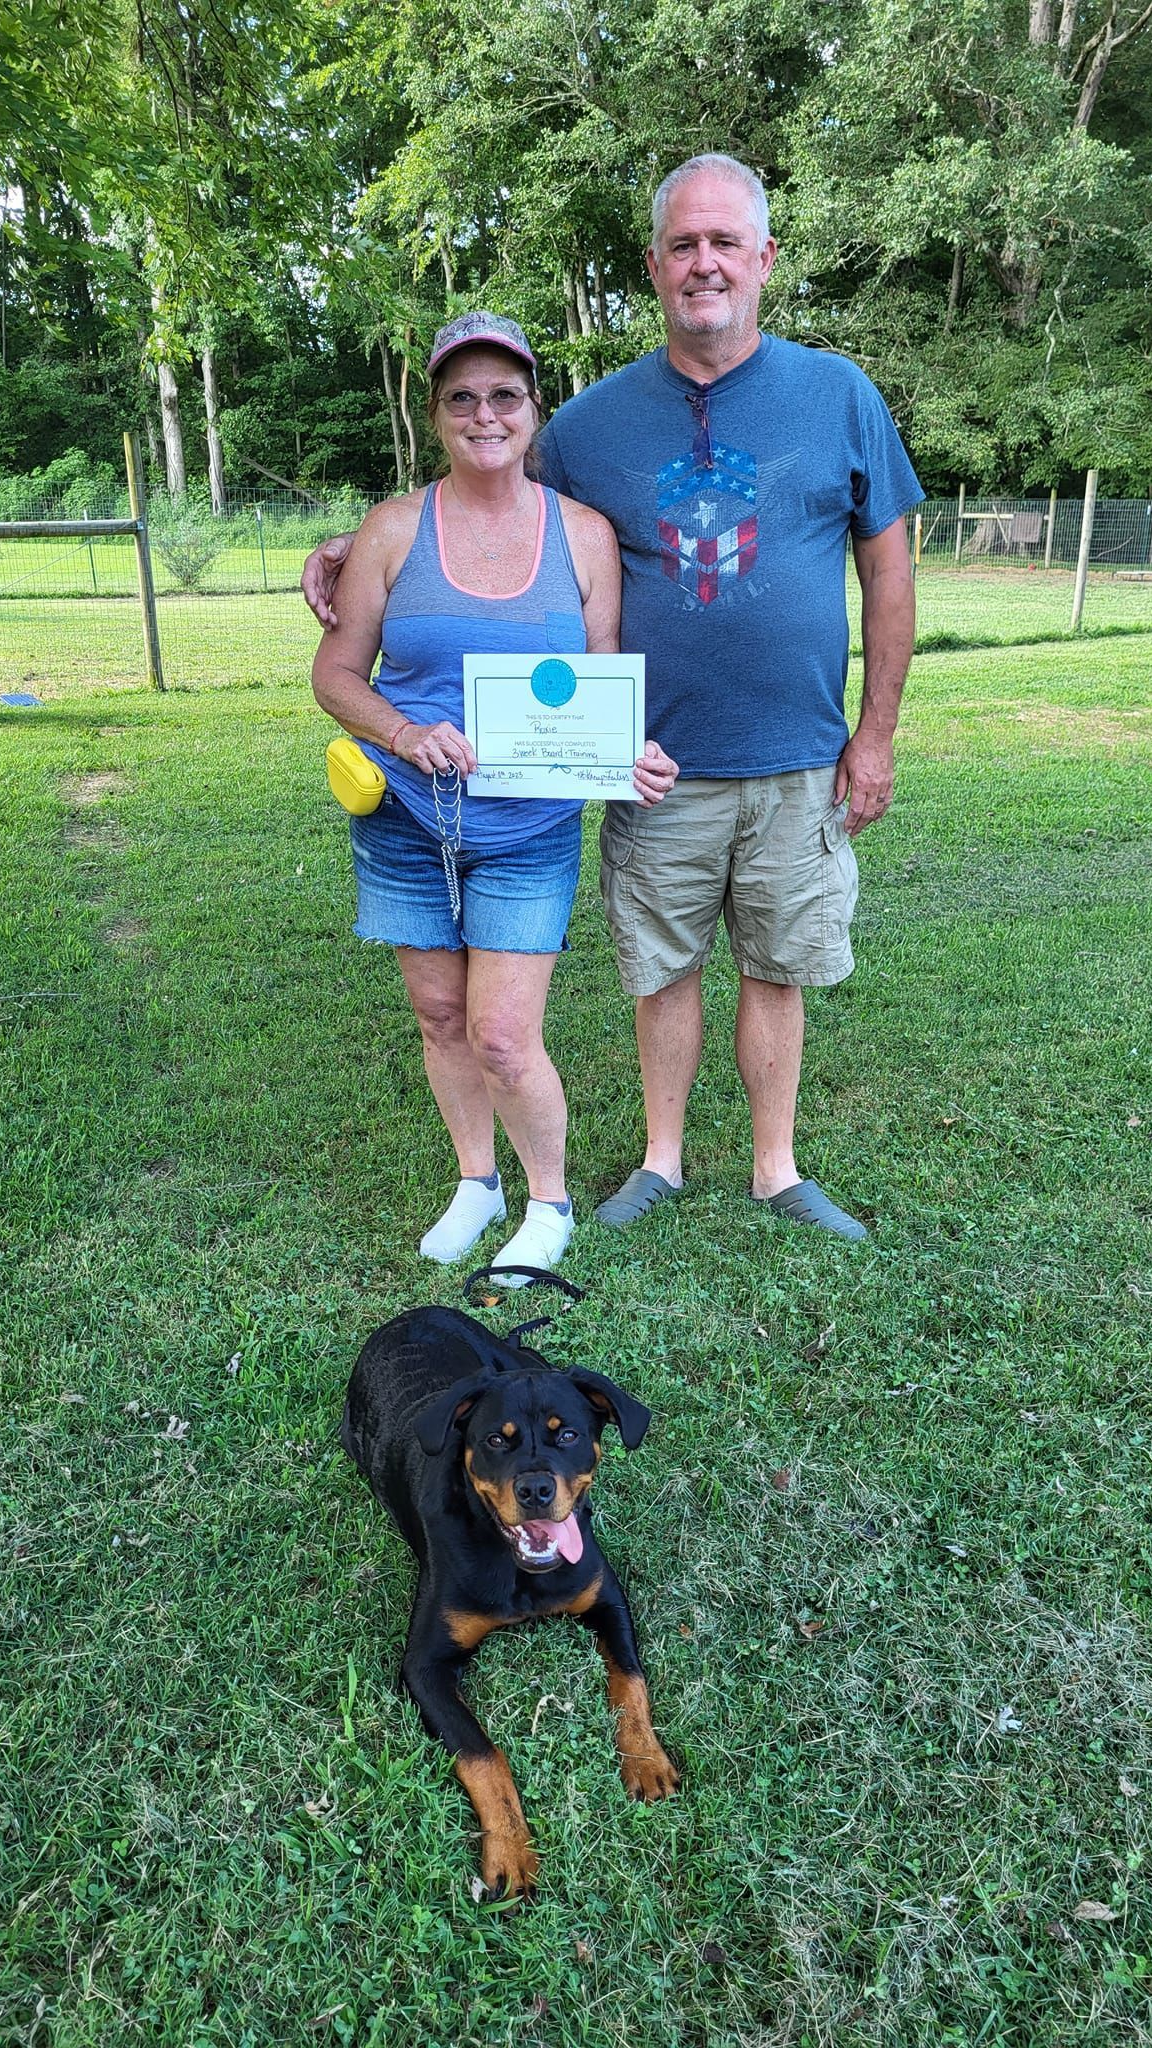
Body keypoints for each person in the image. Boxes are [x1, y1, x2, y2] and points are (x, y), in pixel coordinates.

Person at [307, 156, 920, 1241]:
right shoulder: (590, 424)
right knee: (663, 966)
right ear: (653, 265)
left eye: (725, 242)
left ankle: (776, 1167)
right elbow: (487, 487)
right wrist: (354, 548)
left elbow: (889, 569)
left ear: (765, 258)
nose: (704, 263)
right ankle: (661, 1159)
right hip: (654, 759)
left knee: (778, 966)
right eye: (683, 244)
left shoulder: (839, 396)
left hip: (799, 751)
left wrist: (875, 734)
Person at [311, 310, 677, 1280]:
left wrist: (628, 756)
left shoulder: (584, 536)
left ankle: (548, 1202)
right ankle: (477, 1181)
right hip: (405, 819)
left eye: (504, 395)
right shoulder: (393, 530)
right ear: (436, 414)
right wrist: (403, 732)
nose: (485, 414)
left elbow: (602, 685)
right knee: (440, 1017)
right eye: (462, 397)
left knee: (505, 1035)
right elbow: (336, 673)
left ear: (533, 409)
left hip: (527, 832)